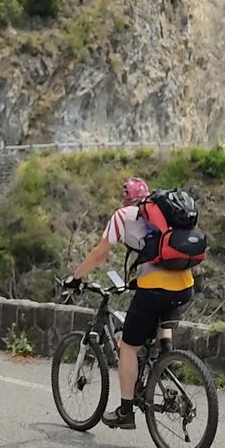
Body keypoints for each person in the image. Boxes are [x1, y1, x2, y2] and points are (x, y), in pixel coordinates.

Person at [63, 177, 194, 429]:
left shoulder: (123, 216)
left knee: (128, 346)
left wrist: (75, 277)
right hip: (185, 285)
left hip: (155, 288)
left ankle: (125, 411)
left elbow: (100, 253)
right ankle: (165, 356)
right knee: (158, 319)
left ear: (125, 198)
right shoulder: (165, 217)